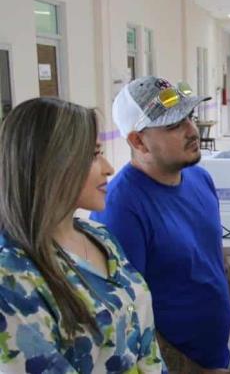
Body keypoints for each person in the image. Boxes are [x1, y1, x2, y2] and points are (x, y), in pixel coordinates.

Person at [91, 76, 230, 373]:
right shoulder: (120, 207)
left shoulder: (200, 179)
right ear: (137, 141)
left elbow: (217, 260)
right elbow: (129, 318)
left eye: (189, 117)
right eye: (174, 125)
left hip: (218, 359)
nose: (192, 130)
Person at [0, 98, 164, 372]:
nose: (109, 167)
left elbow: (145, 344)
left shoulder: (100, 237)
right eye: (92, 155)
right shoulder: (12, 277)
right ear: (49, 164)